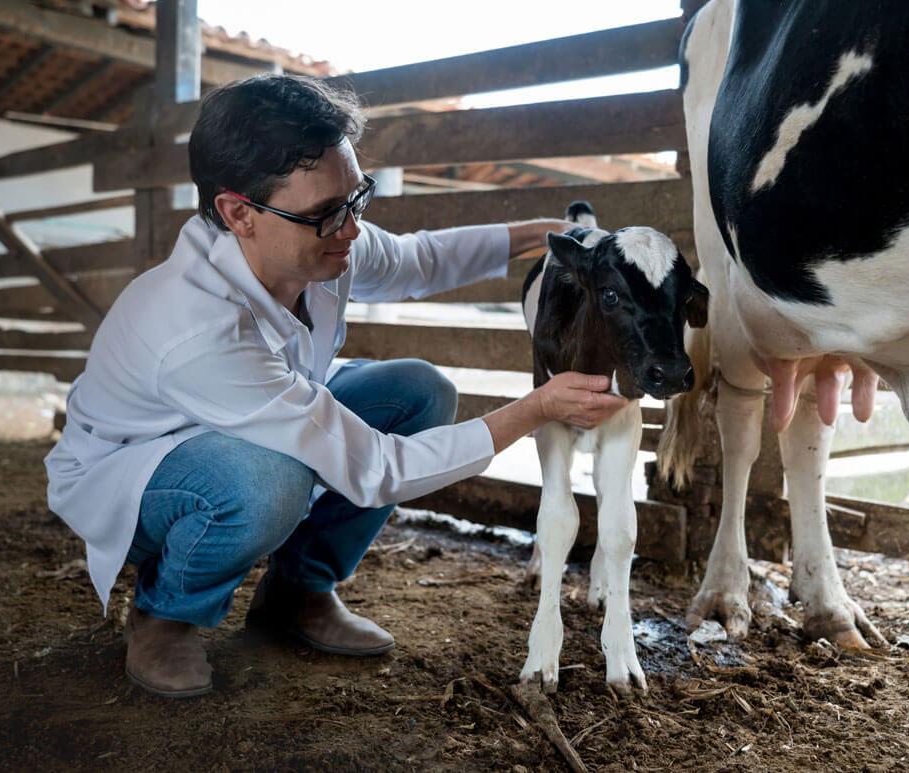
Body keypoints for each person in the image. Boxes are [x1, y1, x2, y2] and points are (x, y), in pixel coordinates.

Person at [44, 74, 627, 699]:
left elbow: (418, 261)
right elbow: (374, 468)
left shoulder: (314, 238)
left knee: (419, 390)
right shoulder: (196, 326)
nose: (351, 228)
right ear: (238, 213)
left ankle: (298, 590)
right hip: (141, 474)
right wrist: (539, 406)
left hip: (249, 420)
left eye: (357, 199)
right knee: (270, 482)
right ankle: (165, 615)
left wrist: (554, 238)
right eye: (327, 213)